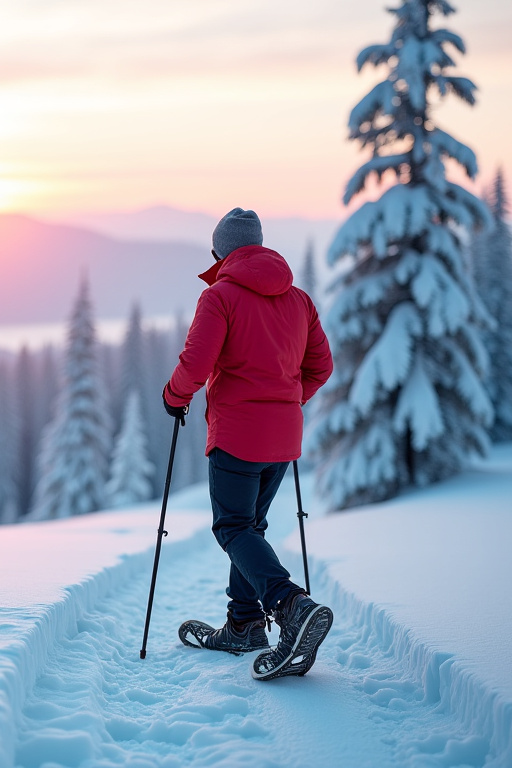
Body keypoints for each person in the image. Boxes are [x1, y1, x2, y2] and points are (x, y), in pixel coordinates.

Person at [163, 207, 334, 681]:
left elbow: (195, 366)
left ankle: (290, 604)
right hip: (283, 439)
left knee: (233, 528)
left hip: (238, 435)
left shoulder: (220, 297)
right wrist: (284, 400)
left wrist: (173, 396)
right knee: (250, 526)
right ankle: (244, 624)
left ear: (222, 252)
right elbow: (321, 367)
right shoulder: (298, 299)